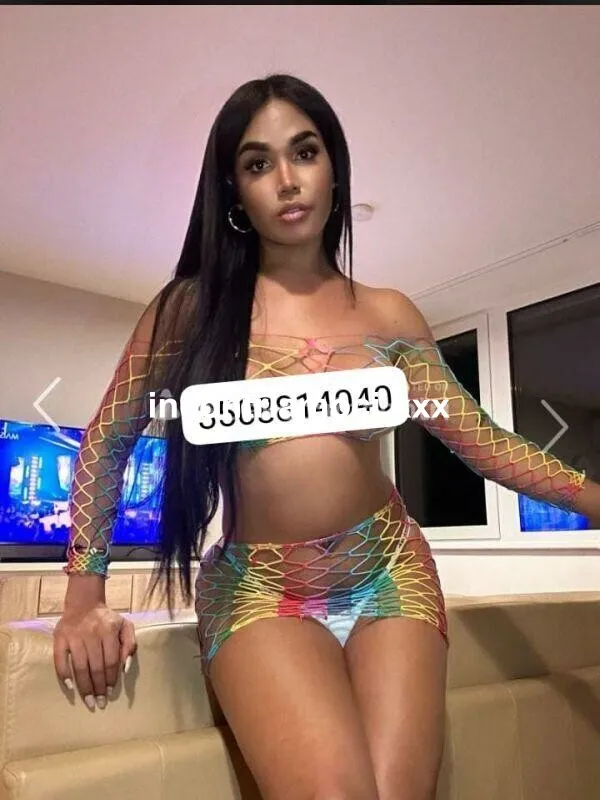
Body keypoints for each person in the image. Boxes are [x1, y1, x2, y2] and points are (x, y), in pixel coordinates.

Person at [52, 73, 600, 800]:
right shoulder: (189, 312)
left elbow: (485, 443)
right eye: (258, 163)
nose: (287, 179)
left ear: (334, 169)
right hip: (258, 587)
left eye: (304, 152)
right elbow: (106, 440)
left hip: (388, 569)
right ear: (234, 192)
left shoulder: (388, 315)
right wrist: (83, 595)